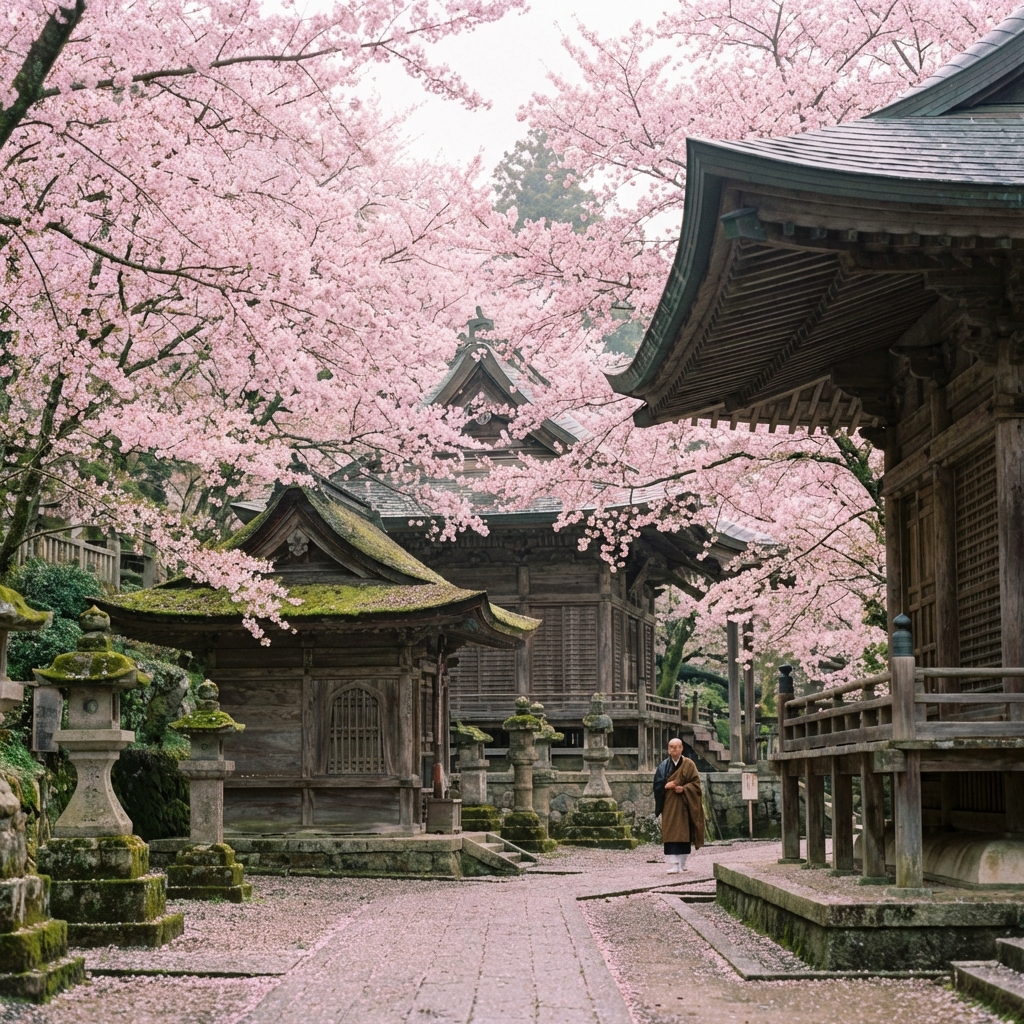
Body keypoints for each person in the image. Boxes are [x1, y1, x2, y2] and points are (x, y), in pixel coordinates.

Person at [653, 738, 706, 873]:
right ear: (668, 749)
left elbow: (696, 783)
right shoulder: (663, 766)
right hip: (670, 805)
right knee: (670, 833)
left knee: (684, 834)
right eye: (671, 747)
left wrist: (684, 788)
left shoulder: (689, 764)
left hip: (684, 804)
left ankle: (682, 863)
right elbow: (656, 786)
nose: (674, 749)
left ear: (682, 748)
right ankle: (673, 864)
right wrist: (665, 786)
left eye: (677, 747)